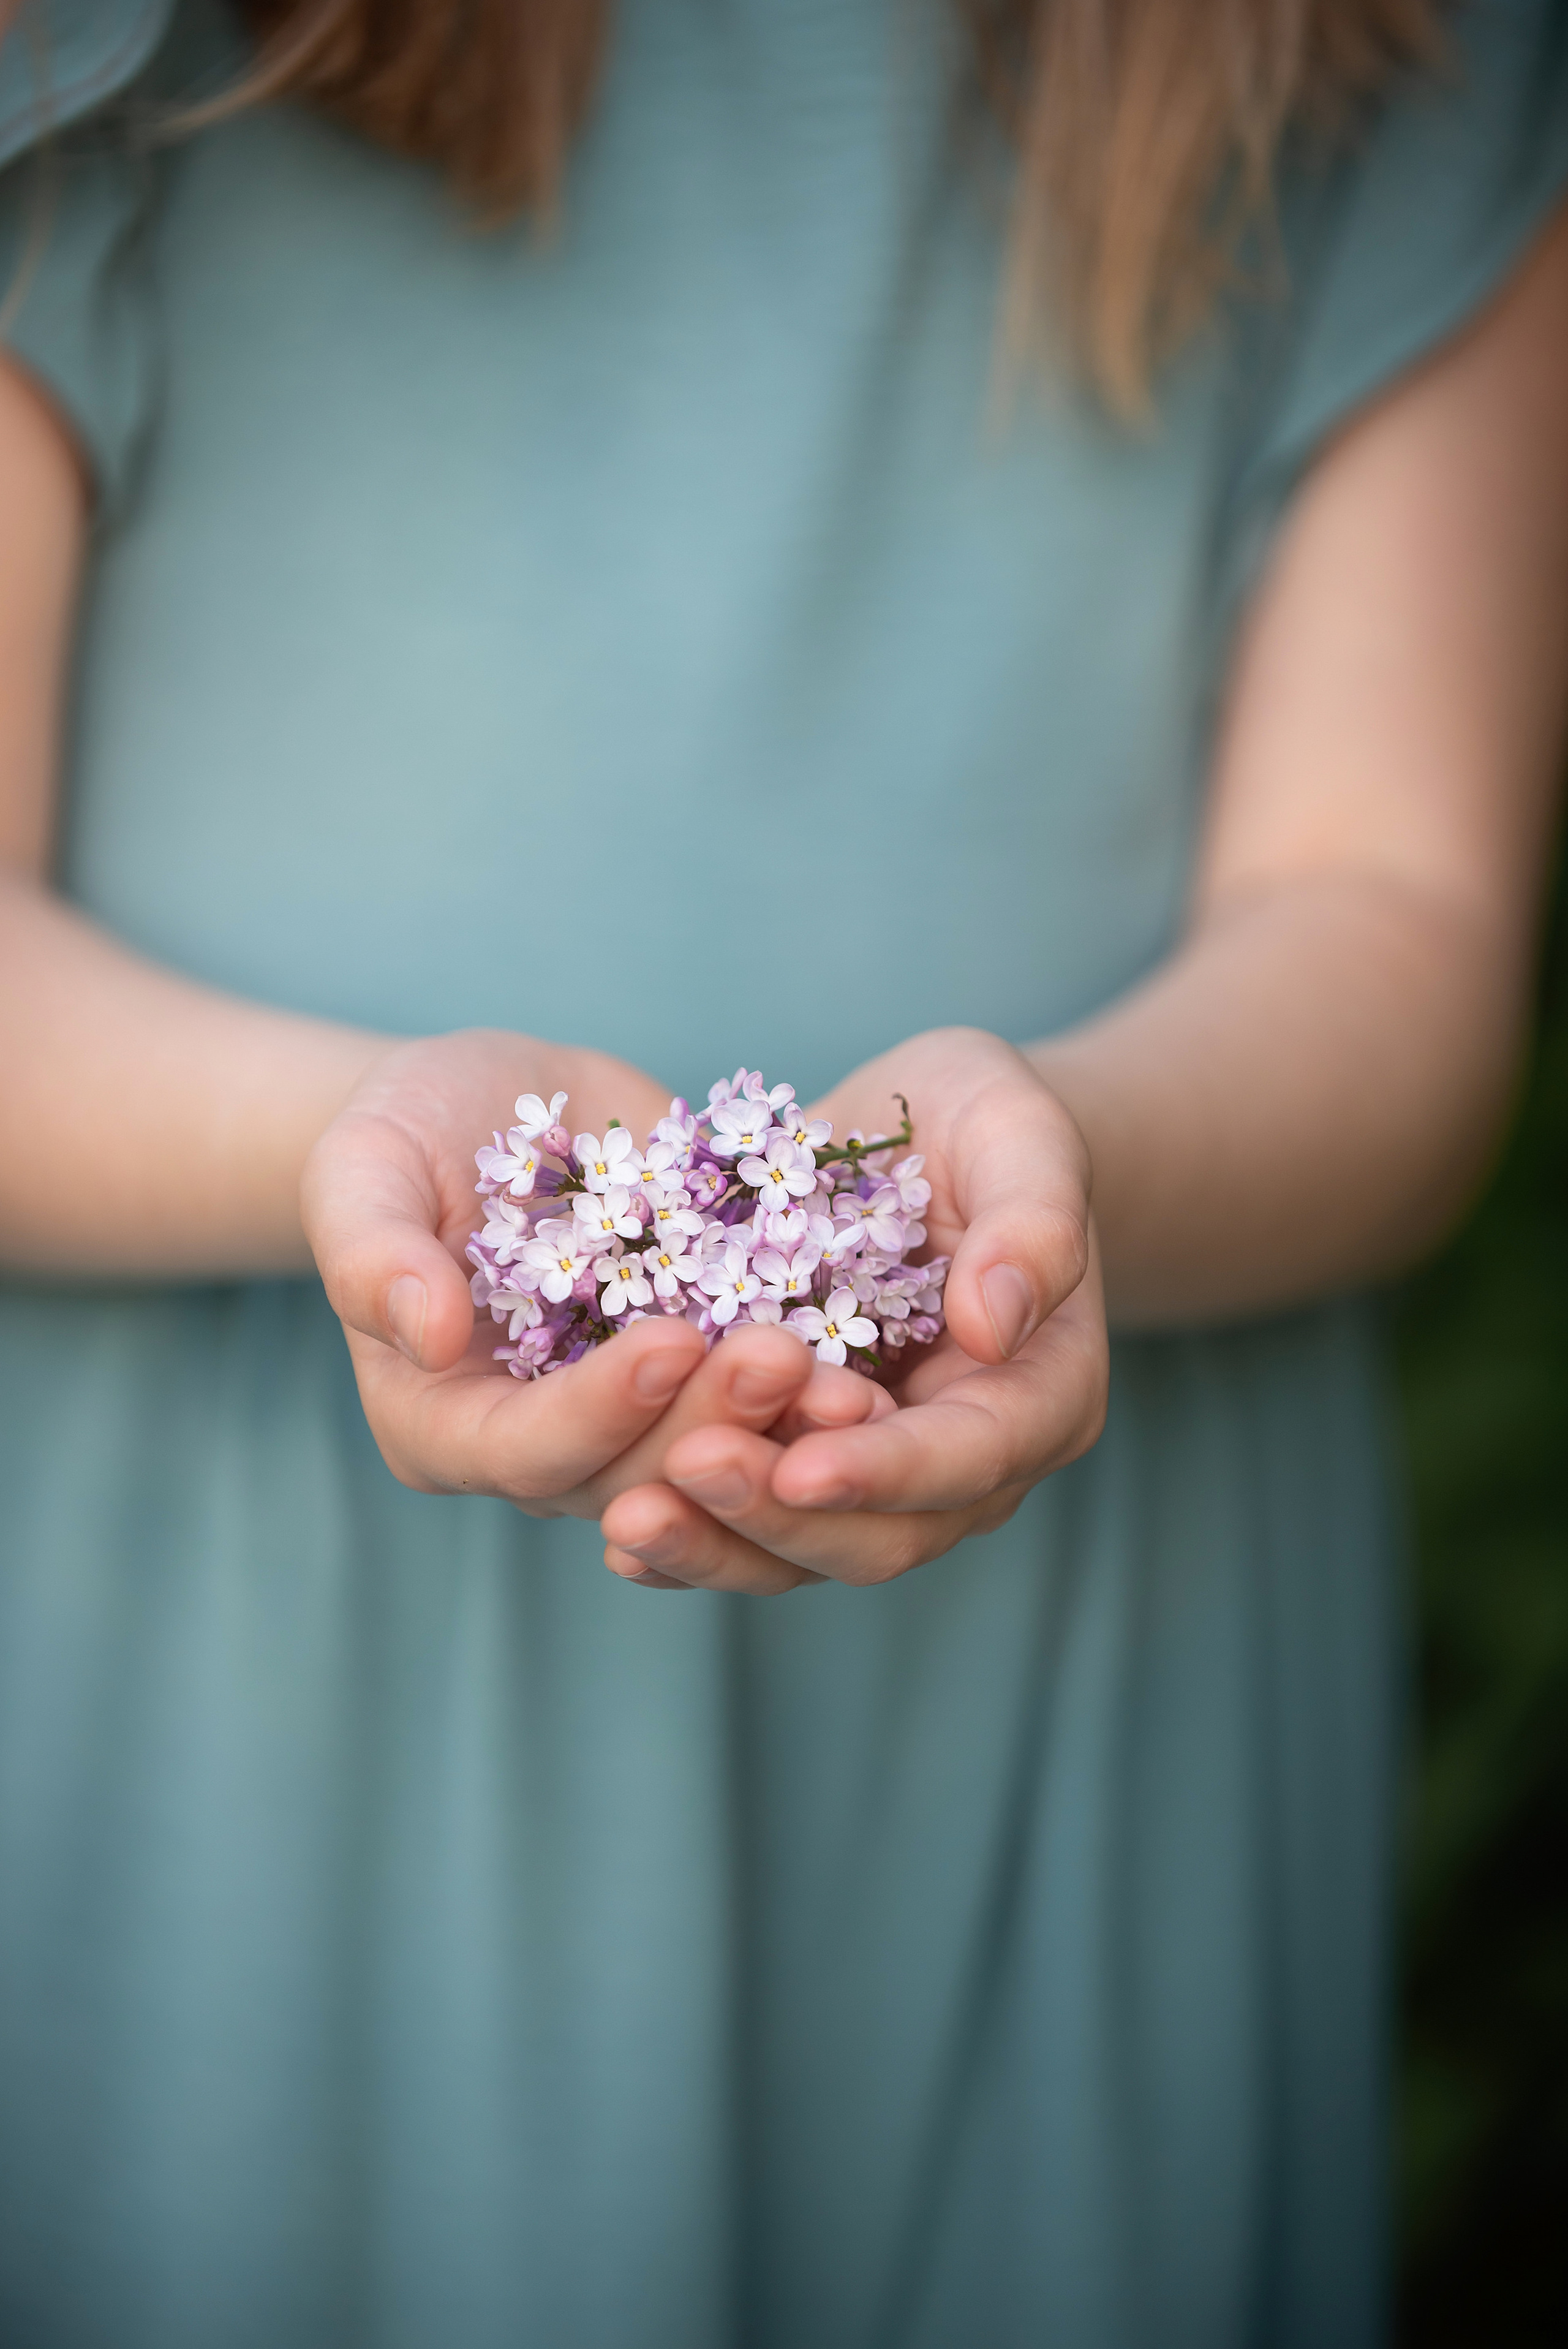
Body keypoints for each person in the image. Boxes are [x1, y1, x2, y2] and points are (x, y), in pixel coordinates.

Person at [1, 0, 1565, 2340]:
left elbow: (1406, 929)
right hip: (230, 1655)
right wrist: (350, 1146)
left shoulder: (1398, 54)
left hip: (1068, 1657)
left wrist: (1051, 1186)